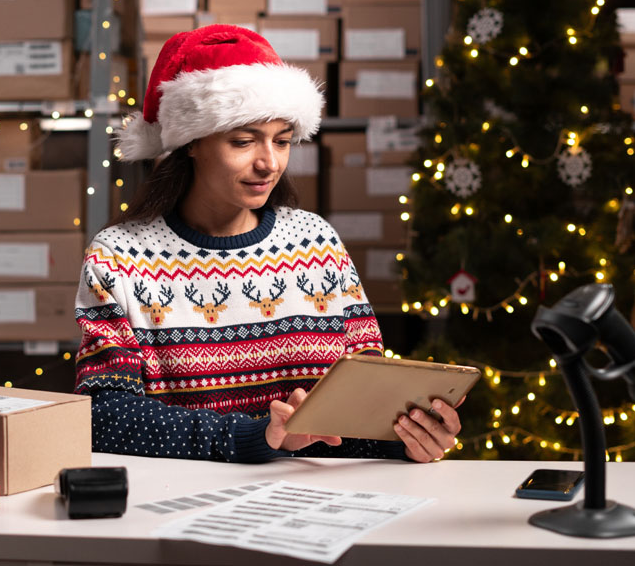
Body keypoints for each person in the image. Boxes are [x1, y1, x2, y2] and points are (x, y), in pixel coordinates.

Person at [73, 25, 461, 464]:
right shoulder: (119, 256)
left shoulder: (317, 243)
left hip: (320, 504)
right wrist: (257, 437)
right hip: (185, 506)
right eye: (243, 141)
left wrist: (408, 437)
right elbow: (104, 416)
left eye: (281, 140)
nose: (269, 163)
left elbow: (363, 402)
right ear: (191, 143)